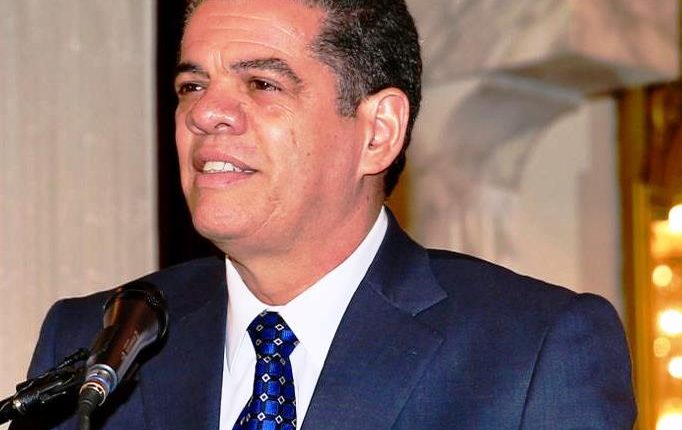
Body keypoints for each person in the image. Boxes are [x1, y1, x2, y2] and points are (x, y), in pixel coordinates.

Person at [11, 0, 636, 429]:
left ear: (377, 132)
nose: (204, 114)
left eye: (262, 84)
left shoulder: (534, 350)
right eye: (192, 86)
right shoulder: (101, 339)